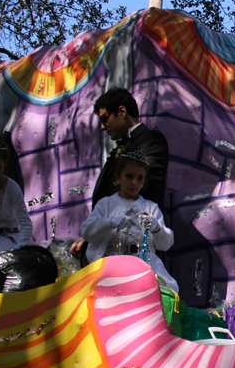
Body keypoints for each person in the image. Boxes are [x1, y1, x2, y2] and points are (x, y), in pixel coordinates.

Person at [71, 87, 169, 258]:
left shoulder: (151, 140)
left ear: (122, 112)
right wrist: (92, 235)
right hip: (108, 249)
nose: (102, 127)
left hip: (134, 249)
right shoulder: (122, 147)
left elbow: (142, 189)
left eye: (105, 118)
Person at [81, 151, 178, 292]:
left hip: (143, 264)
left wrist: (157, 228)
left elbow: (165, 244)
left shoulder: (150, 207)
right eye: (129, 176)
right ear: (118, 177)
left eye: (140, 178)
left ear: (144, 181)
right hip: (111, 265)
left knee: (157, 290)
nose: (134, 183)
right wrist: (111, 222)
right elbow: (87, 232)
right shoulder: (106, 204)